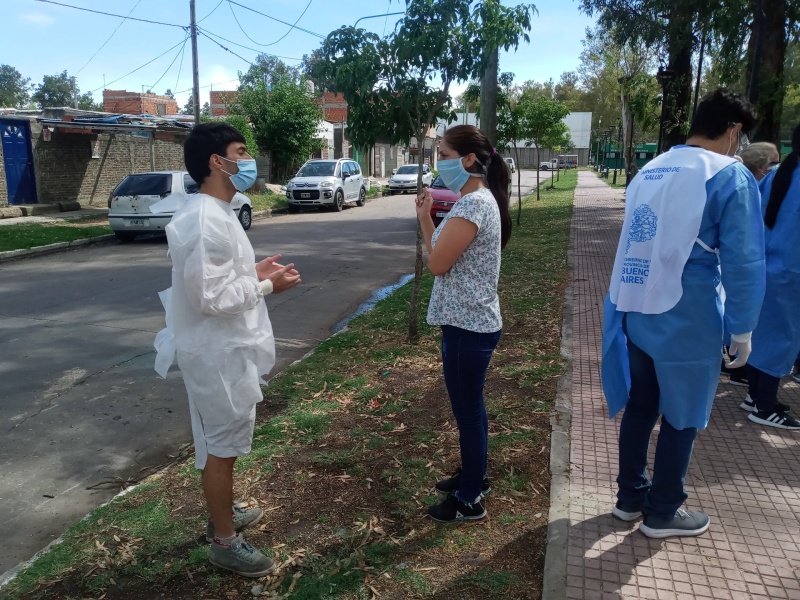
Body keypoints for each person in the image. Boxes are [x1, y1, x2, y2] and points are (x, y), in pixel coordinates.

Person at [601, 89, 765, 538]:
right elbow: (745, 259)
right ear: (733, 130)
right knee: (684, 412)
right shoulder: (729, 174)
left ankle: (630, 498)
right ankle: (664, 510)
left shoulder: (651, 168)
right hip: (687, 310)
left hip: (634, 303)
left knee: (642, 404)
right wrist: (743, 328)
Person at [153, 122, 301, 576]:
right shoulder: (204, 220)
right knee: (222, 444)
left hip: (224, 347)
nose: (248, 160)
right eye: (241, 151)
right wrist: (267, 286)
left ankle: (223, 511)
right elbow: (210, 298)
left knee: (222, 441)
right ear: (217, 162)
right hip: (217, 353)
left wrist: (253, 271)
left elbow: (214, 278)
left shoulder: (217, 210)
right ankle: (224, 540)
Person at [414, 124, 512, 522]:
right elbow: (441, 252)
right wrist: (425, 218)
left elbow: (437, 264)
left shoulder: (472, 205)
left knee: (468, 413)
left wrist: (427, 225)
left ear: (469, 159)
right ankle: (475, 475)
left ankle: (469, 499)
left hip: (468, 326)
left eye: (444, 155)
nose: (439, 162)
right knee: (472, 408)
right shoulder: (476, 200)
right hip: (471, 322)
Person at [741, 125, 800, 429]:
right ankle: (765, 407)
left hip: (765, 266)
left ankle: (755, 396)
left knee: (762, 334)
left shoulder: (778, 175)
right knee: (782, 340)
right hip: (791, 272)